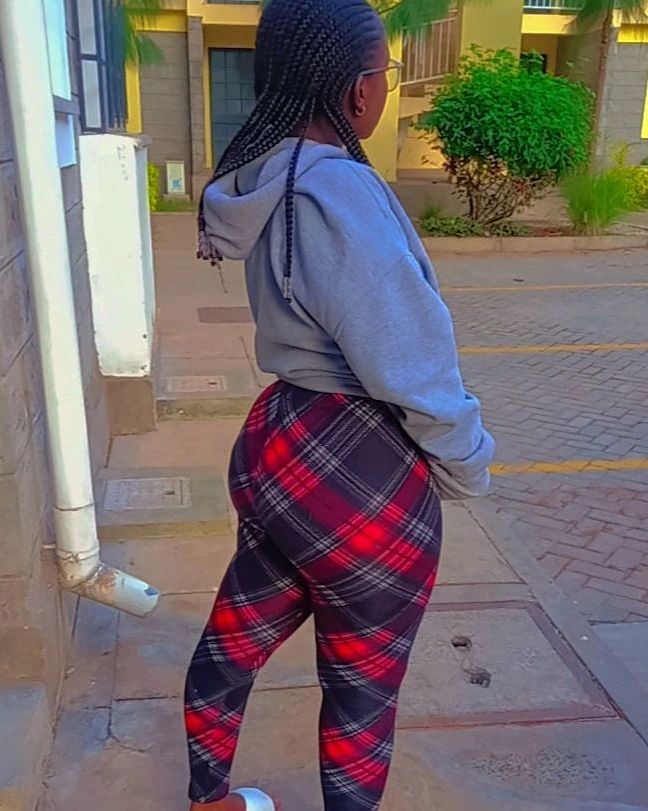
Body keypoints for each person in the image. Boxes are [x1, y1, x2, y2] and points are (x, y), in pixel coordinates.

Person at [185, 1, 495, 809]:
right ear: (357, 91)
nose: (385, 87)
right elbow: (411, 359)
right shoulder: (342, 193)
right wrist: (466, 464)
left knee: (233, 640)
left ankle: (208, 798)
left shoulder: (264, 179)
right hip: (358, 474)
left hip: (280, 442)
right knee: (362, 693)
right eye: (385, 73)